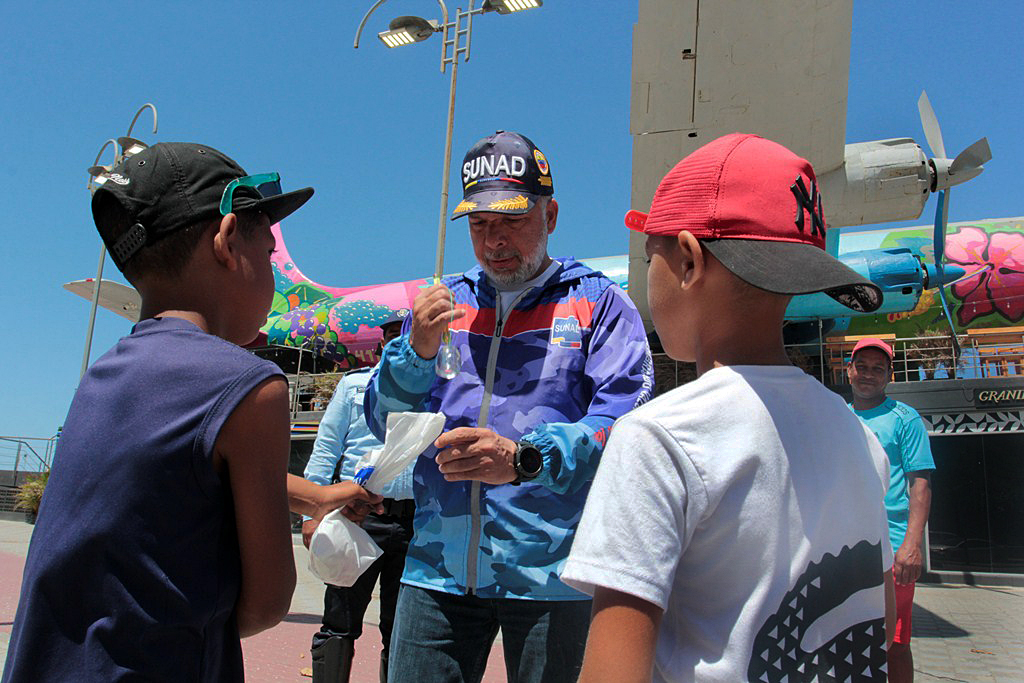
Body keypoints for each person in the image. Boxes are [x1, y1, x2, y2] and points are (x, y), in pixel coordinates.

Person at [2, 142, 377, 683]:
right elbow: (268, 603)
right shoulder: (251, 386)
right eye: (268, 253)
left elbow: (176, 470)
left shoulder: (104, 376)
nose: (272, 276)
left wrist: (317, 496)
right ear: (227, 240)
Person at [561, 133, 897, 683]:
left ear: (688, 260)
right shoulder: (859, 437)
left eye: (649, 258)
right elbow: (883, 637)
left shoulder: (659, 437)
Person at [364, 130, 653, 683]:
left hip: (556, 575)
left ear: (551, 215)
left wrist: (524, 459)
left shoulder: (600, 304)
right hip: (436, 570)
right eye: (479, 224)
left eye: (511, 220)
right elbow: (384, 424)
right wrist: (415, 354)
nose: (494, 240)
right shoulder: (441, 307)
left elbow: (626, 424)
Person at [303, 314, 413, 683]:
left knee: (402, 632)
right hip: (358, 519)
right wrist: (311, 516)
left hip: (417, 523)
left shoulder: (434, 390)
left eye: (408, 336)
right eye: (393, 336)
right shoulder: (354, 385)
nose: (400, 343)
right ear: (382, 344)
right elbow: (326, 449)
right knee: (339, 622)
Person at [848, 337, 935, 683]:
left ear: (889, 375)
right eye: (862, 367)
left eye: (877, 369)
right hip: (846, 549)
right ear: (849, 370)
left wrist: (912, 545)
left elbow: (920, 484)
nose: (868, 374)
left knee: (895, 642)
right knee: (847, 640)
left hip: (892, 548)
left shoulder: (905, 419)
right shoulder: (838, 416)